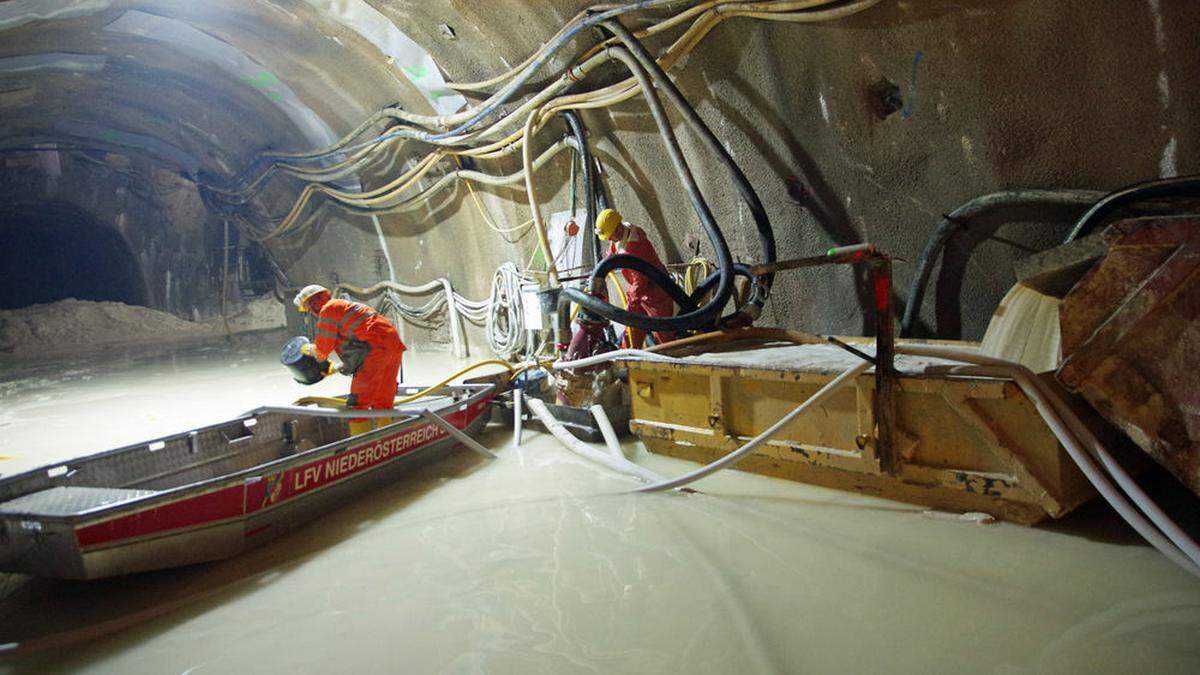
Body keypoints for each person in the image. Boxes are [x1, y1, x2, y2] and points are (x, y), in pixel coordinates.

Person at [293, 284, 407, 435]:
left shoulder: (328, 311)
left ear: (315, 302)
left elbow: (322, 351)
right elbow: (355, 347)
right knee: (382, 402)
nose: (312, 312)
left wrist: (306, 349)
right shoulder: (344, 307)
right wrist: (336, 368)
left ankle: (362, 446)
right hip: (392, 345)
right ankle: (387, 439)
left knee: (357, 405)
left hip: (375, 351)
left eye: (309, 308)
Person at [595, 208, 676, 348]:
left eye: (609, 235)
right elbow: (611, 257)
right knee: (632, 329)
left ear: (618, 228)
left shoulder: (636, 246)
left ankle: (676, 360)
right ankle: (626, 358)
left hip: (656, 293)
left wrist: (631, 299)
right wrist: (597, 277)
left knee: (663, 333)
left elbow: (640, 280)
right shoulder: (620, 236)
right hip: (640, 294)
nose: (608, 239)